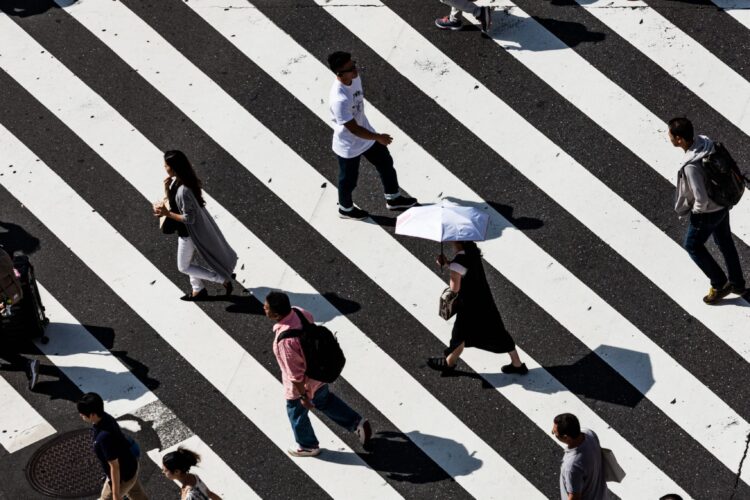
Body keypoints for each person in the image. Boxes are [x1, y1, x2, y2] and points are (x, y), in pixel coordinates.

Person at [264, 291, 371, 456]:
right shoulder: (299, 311)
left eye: (267, 307)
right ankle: (356, 423)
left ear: (276, 314)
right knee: (325, 400)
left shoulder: (286, 341)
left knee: (296, 413)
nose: (264, 308)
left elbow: (295, 374)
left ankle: (308, 445)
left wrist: (303, 397)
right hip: (318, 372)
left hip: (303, 384)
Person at [327, 51, 417, 220]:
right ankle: (345, 209)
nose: (355, 70)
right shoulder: (339, 99)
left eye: (354, 64)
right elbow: (353, 129)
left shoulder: (354, 79)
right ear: (340, 73)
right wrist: (377, 137)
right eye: (351, 68)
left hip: (366, 135)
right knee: (348, 180)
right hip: (349, 145)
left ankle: (393, 198)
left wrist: (374, 137)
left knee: (385, 163)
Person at [669, 117, 746, 304]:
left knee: (692, 246)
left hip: (708, 212)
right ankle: (737, 283)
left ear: (679, 139)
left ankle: (719, 284)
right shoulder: (706, 143)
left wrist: (696, 213)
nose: (669, 137)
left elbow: (700, 198)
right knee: (726, 242)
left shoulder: (691, 167)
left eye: (671, 135)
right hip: (723, 203)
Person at [427, 241, 527, 374]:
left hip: (468, 306)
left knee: (459, 335)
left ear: (458, 243)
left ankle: (449, 364)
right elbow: (464, 269)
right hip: (483, 299)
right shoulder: (473, 253)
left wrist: (450, 270)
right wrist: (448, 264)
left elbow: (454, 289)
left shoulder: (458, 263)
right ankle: (517, 363)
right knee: (498, 331)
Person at [153, 150, 237, 301]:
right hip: (186, 232)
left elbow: (188, 218)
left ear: (174, 167)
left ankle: (221, 279)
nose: (164, 168)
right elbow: (174, 203)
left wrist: (166, 214)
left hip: (189, 234)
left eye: (166, 165)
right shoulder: (178, 181)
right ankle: (198, 289)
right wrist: (166, 191)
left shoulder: (183, 189)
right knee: (189, 262)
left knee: (183, 267)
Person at [77, 392, 147, 500]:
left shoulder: (104, 437)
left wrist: (115, 494)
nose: (80, 416)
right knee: (135, 492)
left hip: (122, 476)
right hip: (130, 466)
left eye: (82, 414)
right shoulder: (106, 417)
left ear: (92, 415)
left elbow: (114, 466)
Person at [552, 413, 610, 500]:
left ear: (566, 437)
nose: (552, 432)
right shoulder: (590, 434)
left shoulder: (571, 466)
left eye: (555, 433)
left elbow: (574, 498)